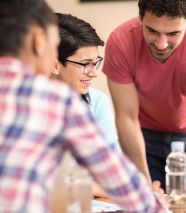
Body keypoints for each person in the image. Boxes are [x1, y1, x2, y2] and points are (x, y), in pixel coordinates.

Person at [0, 0, 166, 212]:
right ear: (39, 42)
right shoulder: (56, 100)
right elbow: (117, 179)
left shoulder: (93, 101)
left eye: (95, 63)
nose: (93, 72)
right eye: (52, 48)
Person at [103, 0, 186, 188]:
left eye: (173, 33)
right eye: (152, 31)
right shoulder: (120, 42)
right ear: (140, 18)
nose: (161, 44)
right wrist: (143, 184)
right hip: (141, 136)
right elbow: (126, 117)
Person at [52, 13, 119, 150]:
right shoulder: (25, 103)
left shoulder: (98, 102)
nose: (93, 73)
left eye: (95, 63)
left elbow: (111, 157)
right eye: (85, 64)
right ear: (55, 65)